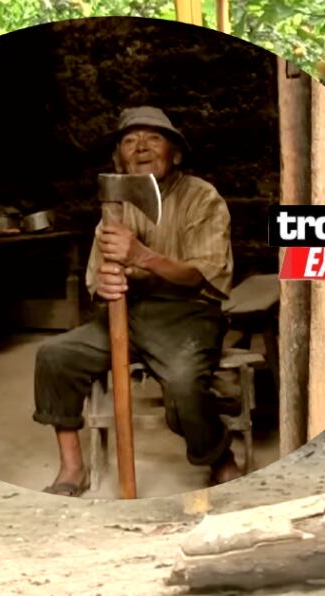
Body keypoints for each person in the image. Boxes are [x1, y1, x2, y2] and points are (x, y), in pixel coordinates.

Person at [32, 106, 242, 496]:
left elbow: (201, 274)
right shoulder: (115, 206)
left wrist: (141, 256)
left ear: (175, 153)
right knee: (54, 356)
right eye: (130, 141)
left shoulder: (202, 198)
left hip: (187, 314)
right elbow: (98, 278)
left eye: (153, 139)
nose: (141, 148)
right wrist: (107, 285)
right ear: (119, 160)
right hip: (125, 312)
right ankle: (72, 468)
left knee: (184, 385)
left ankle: (218, 456)